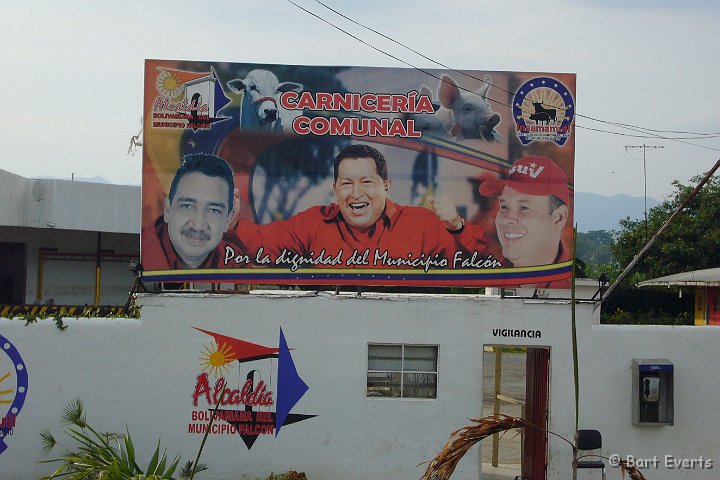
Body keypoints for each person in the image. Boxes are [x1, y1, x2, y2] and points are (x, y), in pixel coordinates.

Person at [230, 144, 480, 270]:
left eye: (367, 182)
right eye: (347, 183)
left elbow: (481, 261)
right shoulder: (314, 222)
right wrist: (233, 224)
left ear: (386, 185)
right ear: (335, 187)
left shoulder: (421, 223)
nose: (356, 194)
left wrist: (457, 227)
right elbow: (265, 243)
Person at [478, 155, 571, 286]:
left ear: (558, 218)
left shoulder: (570, 285)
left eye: (524, 207)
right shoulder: (492, 275)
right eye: (504, 206)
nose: (507, 219)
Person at [142, 153, 240, 270]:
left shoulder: (240, 266)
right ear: (167, 210)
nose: (198, 226)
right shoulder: (140, 252)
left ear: (228, 220)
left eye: (214, 210)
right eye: (187, 206)